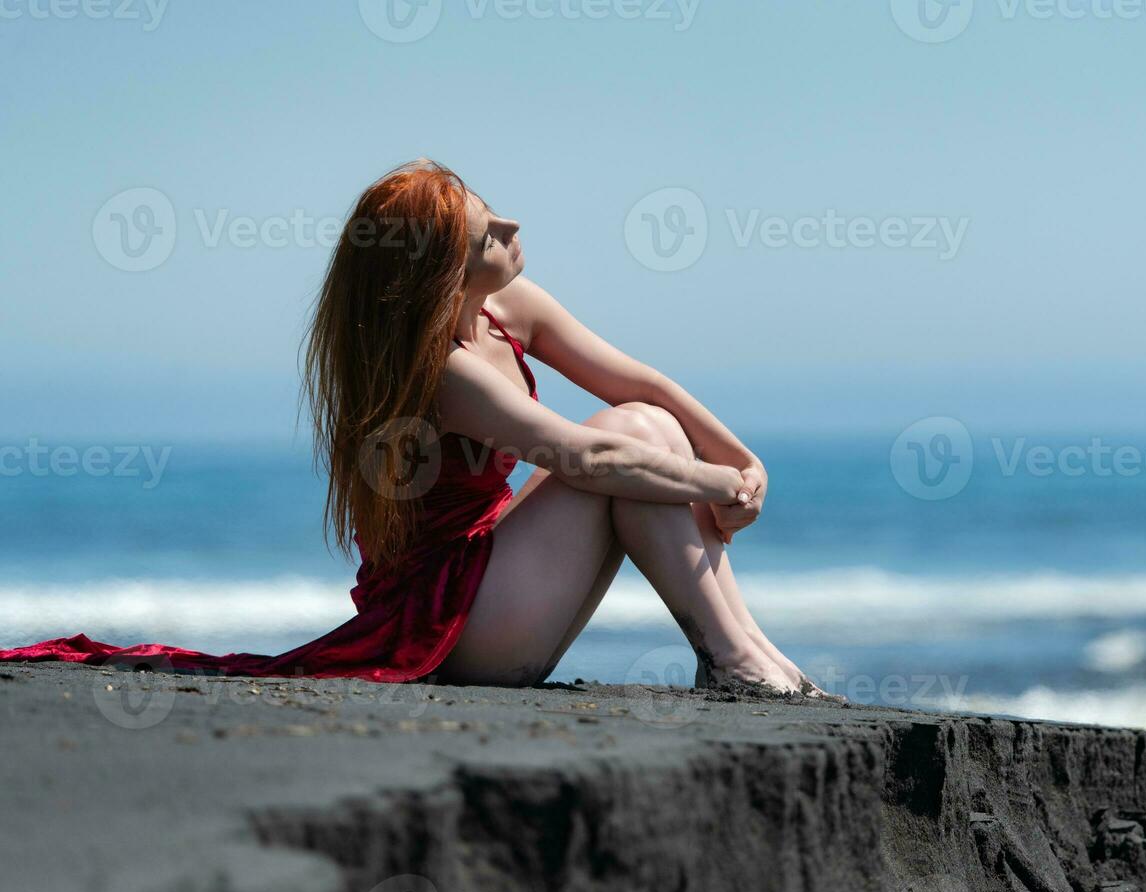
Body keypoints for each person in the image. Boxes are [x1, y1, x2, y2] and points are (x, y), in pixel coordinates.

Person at [2, 160, 825, 697]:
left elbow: (639, 381)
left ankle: (747, 652)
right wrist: (716, 486)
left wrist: (740, 458)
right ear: (443, 270)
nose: (511, 228)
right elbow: (581, 452)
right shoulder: (441, 372)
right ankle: (738, 663)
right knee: (629, 444)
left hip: (497, 576)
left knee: (646, 419)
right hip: (456, 628)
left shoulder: (506, 309)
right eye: (487, 232)